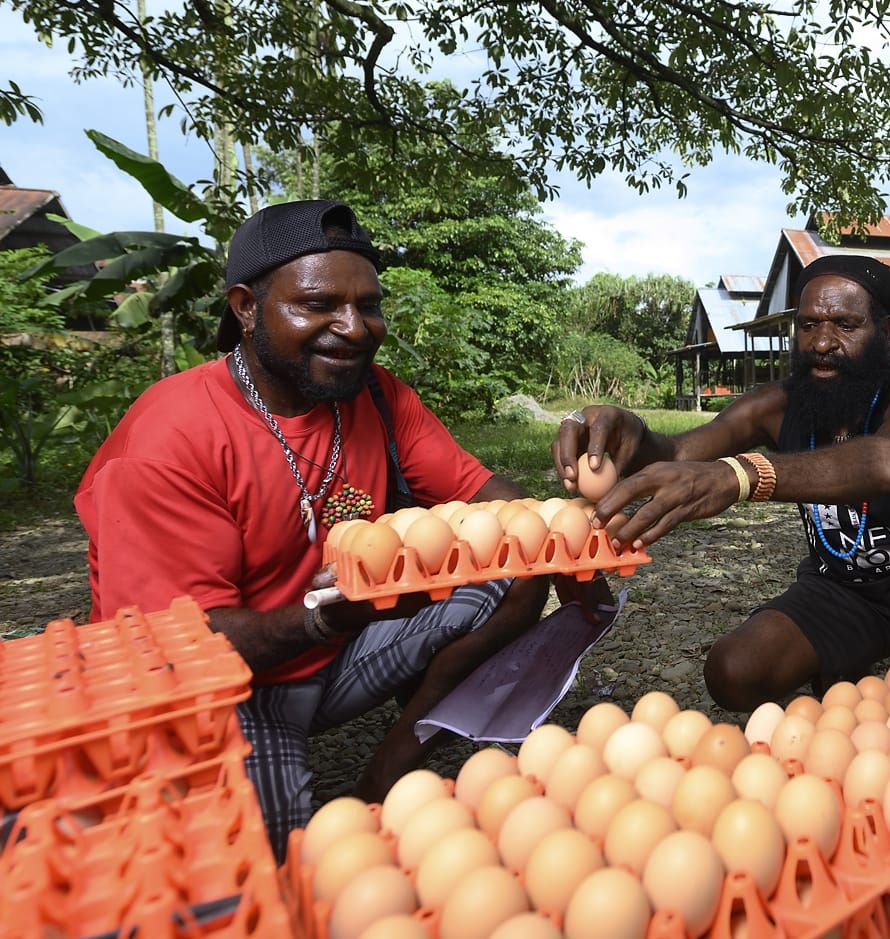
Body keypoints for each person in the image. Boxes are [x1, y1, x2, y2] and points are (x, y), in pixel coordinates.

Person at [77, 199, 555, 859]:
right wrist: (323, 619)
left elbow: (504, 506)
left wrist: (570, 533)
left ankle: (384, 777)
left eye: (368, 304)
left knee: (515, 576)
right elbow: (179, 647)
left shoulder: (379, 399)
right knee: (267, 858)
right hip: (224, 688)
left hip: (335, 650)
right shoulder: (174, 434)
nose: (354, 328)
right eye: (319, 304)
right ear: (246, 307)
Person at [554, 254, 890, 711]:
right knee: (734, 672)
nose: (823, 342)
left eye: (845, 325)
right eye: (809, 325)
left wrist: (747, 475)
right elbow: (677, 453)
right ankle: (854, 652)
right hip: (846, 588)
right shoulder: (777, 403)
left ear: (884, 330)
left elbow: (888, 460)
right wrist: (627, 432)